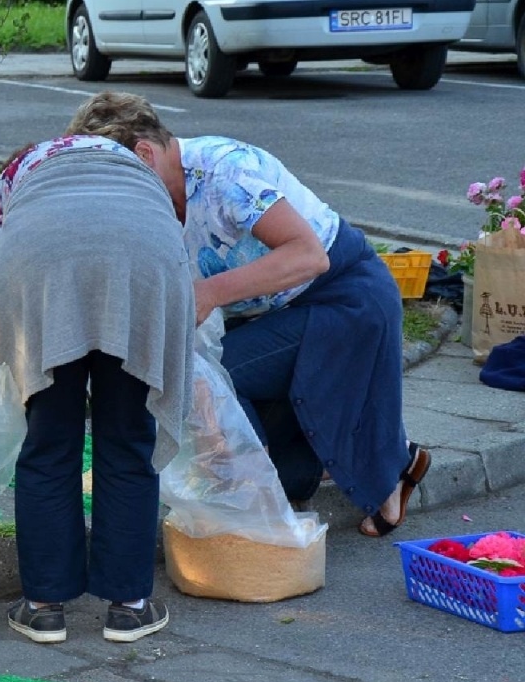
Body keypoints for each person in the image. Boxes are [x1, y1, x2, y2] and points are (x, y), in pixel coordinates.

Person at [67, 92, 429, 538]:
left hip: (345, 298)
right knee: (285, 472)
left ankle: (282, 502)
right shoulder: (159, 190)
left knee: (219, 377)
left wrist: (210, 293)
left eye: (117, 178)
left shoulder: (225, 171)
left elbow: (310, 256)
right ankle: (285, 484)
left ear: (144, 153)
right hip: (281, 309)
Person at [0, 135, 195, 644]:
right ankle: (130, 607)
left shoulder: (20, 170)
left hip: (40, 265)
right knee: (128, 439)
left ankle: (42, 607)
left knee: (48, 441)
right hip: (142, 262)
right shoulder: (137, 171)